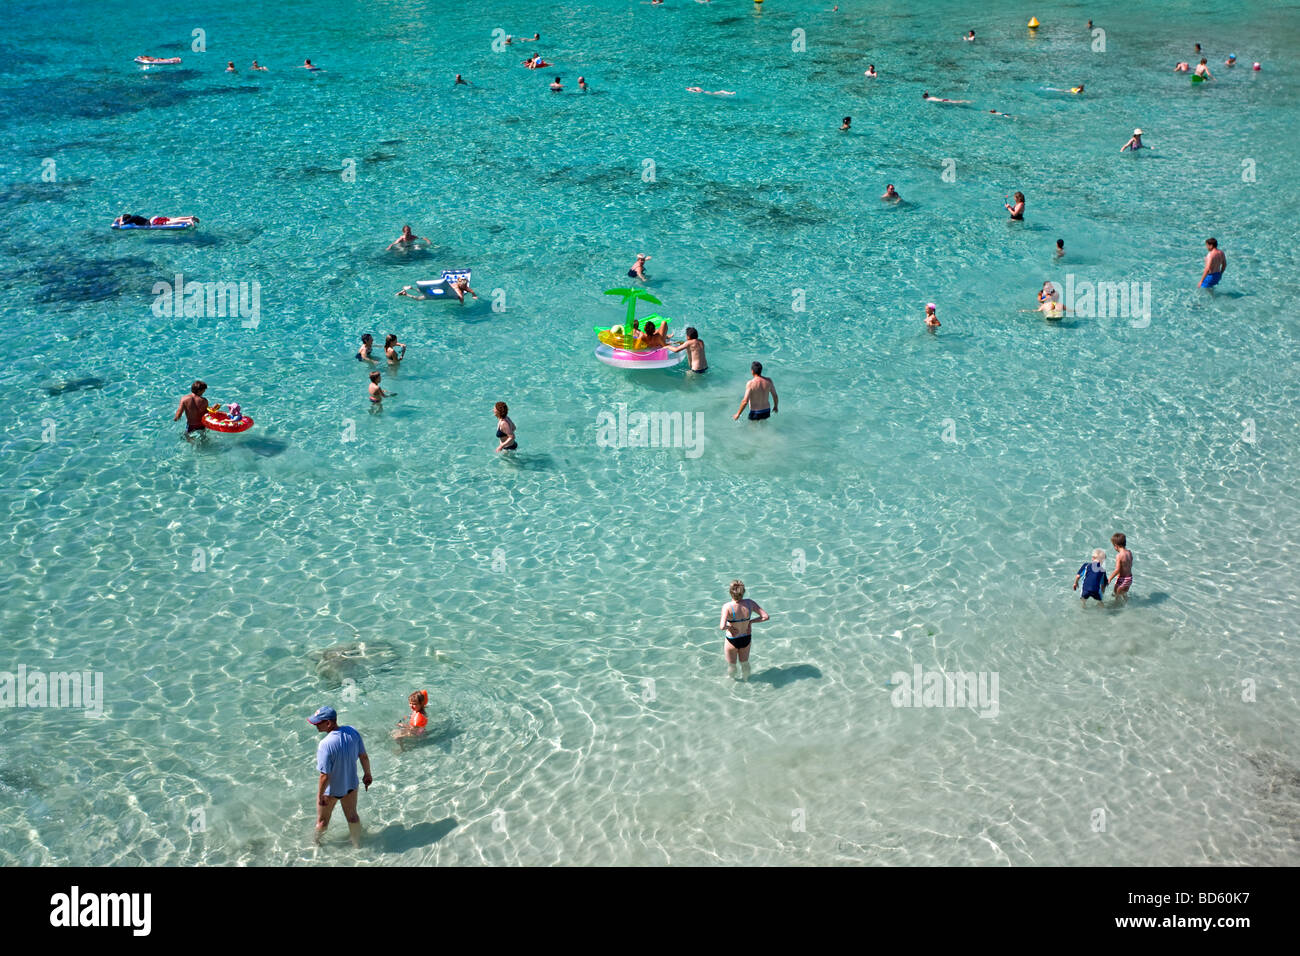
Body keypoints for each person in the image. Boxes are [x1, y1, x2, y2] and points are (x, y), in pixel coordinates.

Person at [308, 705, 372, 847]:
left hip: (330, 792)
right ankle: (357, 844)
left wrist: (320, 796)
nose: (316, 725)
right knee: (352, 816)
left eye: (318, 722)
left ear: (328, 723)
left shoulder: (325, 745)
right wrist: (368, 774)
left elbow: (325, 775)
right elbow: (364, 756)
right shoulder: (352, 732)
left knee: (322, 821)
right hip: (351, 786)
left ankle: (315, 845)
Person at [719, 580, 769, 680]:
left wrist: (729, 627)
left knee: (732, 665)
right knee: (744, 663)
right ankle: (746, 679)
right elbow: (765, 617)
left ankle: (733, 682)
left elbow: (722, 626)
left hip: (732, 639)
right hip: (746, 637)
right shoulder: (749, 603)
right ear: (743, 592)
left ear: (730, 592)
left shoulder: (727, 606)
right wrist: (750, 622)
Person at [1108, 533, 1133, 601]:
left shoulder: (1119, 555)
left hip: (1122, 580)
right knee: (1124, 594)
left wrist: (1110, 578)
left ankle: (1118, 609)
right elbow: (1130, 564)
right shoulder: (1129, 552)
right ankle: (1127, 606)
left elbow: (1117, 570)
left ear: (1116, 546)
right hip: (1129, 579)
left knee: (1117, 596)